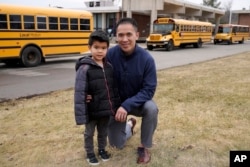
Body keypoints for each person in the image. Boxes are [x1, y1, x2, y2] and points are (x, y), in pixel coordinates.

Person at [107, 17, 158, 164]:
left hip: (137, 104)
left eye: (129, 34)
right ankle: (129, 126)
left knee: (151, 108)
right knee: (116, 145)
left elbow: (149, 90)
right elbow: (94, 72)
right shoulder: (109, 55)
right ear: (116, 36)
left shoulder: (147, 59)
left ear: (137, 35)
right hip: (116, 106)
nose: (124, 39)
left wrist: (126, 105)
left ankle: (144, 146)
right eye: (120, 35)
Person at [74, 30, 120, 166]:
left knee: (103, 131)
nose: (100, 51)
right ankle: (89, 153)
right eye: (96, 47)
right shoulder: (84, 68)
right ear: (89, 48)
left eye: (103, 48)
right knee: (89, 133)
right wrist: (81, 114)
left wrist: (115, 107)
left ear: (107, 48)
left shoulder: (109, 67)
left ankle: (101, 149)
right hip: (91, 109)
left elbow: (113, 89)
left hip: (105, 109)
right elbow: (80, 91)